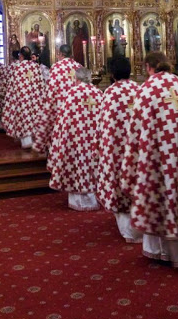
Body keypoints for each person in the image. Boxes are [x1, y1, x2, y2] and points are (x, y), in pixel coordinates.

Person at [120, 51, 178, 267]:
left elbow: (135, 132)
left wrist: (131, 165)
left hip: (156, 158)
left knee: (159, 197)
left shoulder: (146, 90)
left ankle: (160, 251)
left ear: (149, 67)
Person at [95, 57, 142, 241]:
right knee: (136, 183)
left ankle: (129, 231)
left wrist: (100, 147)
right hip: (137, 149)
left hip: (116, 150)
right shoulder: (139, 90)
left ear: (112, 74)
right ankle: (140, 228)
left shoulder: (110, 93)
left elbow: (102, 125)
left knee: (119, 185)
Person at [49, 67, 103, 211]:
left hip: (76, 138)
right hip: (94, 139)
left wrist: (59, 138)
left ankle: (78, 201)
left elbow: (63, 119)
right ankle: (92, 198)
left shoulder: (72, 93)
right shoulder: (98, 93)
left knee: (77, 166)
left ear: (76, 79)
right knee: (91, 166)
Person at [33, 44, 82, 161]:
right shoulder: (79, 67)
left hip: (60, 107)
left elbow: (51, 89)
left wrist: (47, 104)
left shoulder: (56, 67)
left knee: (61, 133)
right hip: (76, 108)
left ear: (60, 54)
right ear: (71, 54)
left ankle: (60, 156)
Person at [2, 46, 45, 147]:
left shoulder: (18, 67)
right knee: (34, 116)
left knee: (23, 117)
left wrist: (9, 98)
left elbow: (12, 85)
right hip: (34, 98)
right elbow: (41, 83)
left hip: (21, 98)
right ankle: (34, 139)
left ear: (21, 56)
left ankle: (26, 141)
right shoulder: (36, 66)